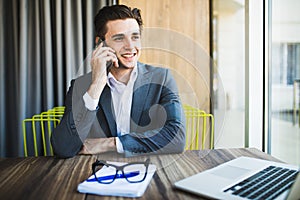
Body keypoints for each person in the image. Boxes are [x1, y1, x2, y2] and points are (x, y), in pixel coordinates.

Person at [51, 4, 185, 158]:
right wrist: (96, 85)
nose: (130, 46)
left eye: (135, 37)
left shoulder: (162, 78)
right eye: (119, 38)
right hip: (95, 172)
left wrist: (110, 144)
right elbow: (63, 148)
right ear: (100, 44)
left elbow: (177, 137)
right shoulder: (81, 86)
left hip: (149, 169)